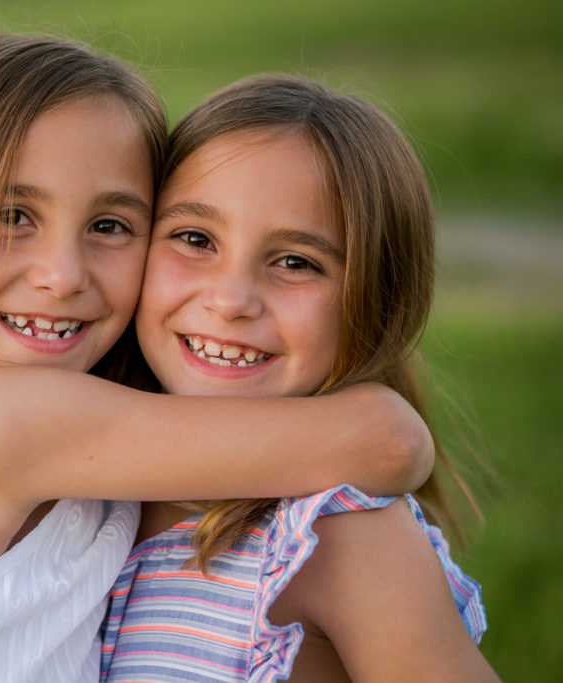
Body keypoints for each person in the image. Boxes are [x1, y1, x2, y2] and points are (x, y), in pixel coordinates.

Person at [0, 37, 434, 682]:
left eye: (109, 226)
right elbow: (389, 441)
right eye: (13, 215)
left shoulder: (56, 441)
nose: (63, 276)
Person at [100, 74, 498, 682]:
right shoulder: (87, 486)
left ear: (375, 303)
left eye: (295, 262)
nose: (231, 301)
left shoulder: (338, 538)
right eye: (195, 238)